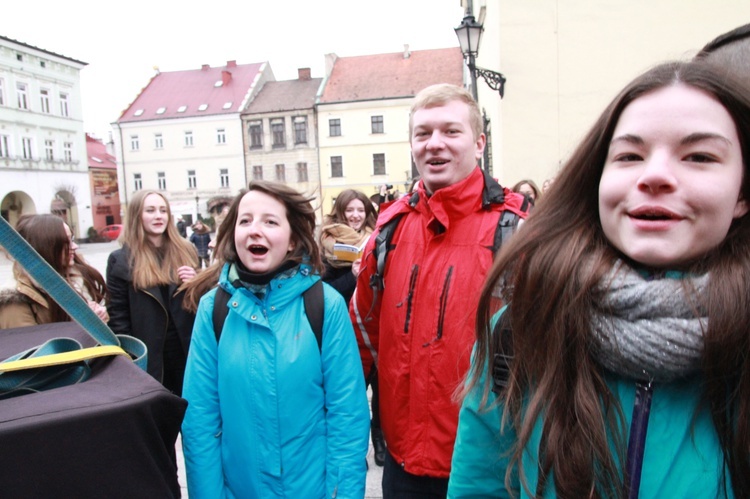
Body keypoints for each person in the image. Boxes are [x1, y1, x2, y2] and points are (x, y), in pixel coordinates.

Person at [448, 60, 750, 498]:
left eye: (699, 156)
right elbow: (480, 486)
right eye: (629, 155)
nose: (655, 175)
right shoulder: (523, 328)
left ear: (743, 192)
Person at [349, 83, 528, 497]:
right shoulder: (389, 231)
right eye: (423, 133)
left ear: (479, 142)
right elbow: (362, 340)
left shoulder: (517, 231)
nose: (435, 144)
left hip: (489, 466)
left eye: (451, 131)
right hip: (403, 464)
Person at [181, 181, 370, 498]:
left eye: (270, 221)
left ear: (293, 239)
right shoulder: (213, 310)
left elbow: (347, 417)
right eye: (245, 220)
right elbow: (200, 423)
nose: (255, 230)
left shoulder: (325, 306)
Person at [106, 190, 198, 396]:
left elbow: (203, 306)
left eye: (163, 210)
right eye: (150, 210)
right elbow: (118, 318)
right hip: (150, 355)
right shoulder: (121, 260)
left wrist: (196, 284)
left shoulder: (186, 250)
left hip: (186, 350)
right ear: (137, 216)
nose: (158, 216)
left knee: (192, 416)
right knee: (160, 420)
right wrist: (131, 359)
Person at [320, 188, 386, 466]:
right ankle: (355, 447)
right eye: (350, 210)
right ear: (340, 212)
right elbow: (323, 290)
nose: (356, 215)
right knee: (351, 394)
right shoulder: (327, 246)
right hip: (343, 331)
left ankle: (380, 441)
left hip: (376, 325)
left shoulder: (379, 238)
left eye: (361, 210)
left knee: (382, 391)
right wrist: (352, 276)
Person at [0, 214, 108, 328]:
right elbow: (28, 344)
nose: (75, 246)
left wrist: (100, 317)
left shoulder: (75, 280)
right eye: (65, 242)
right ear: (45, 247)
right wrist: (82, 324)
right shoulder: (14, 301)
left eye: (72, 239)